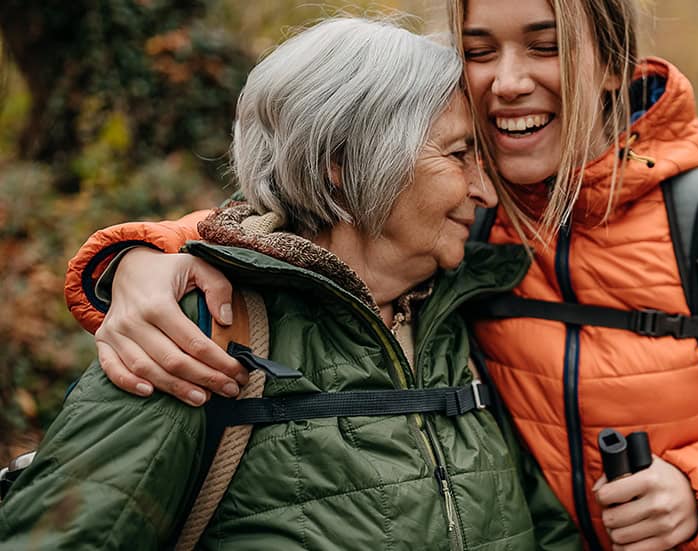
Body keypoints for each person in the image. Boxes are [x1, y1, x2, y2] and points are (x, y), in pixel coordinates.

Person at [59, 1, 698, 549]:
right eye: (479, 51)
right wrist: (138, 258)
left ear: (615, 63)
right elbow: (294, 215)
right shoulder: (457, 214)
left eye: (544, 44)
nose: (506, 79)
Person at [1, 17, 578, 550]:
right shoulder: (197, 335)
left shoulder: (462, 329)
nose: (485, 190)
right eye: (458, 156)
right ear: (345, 163)